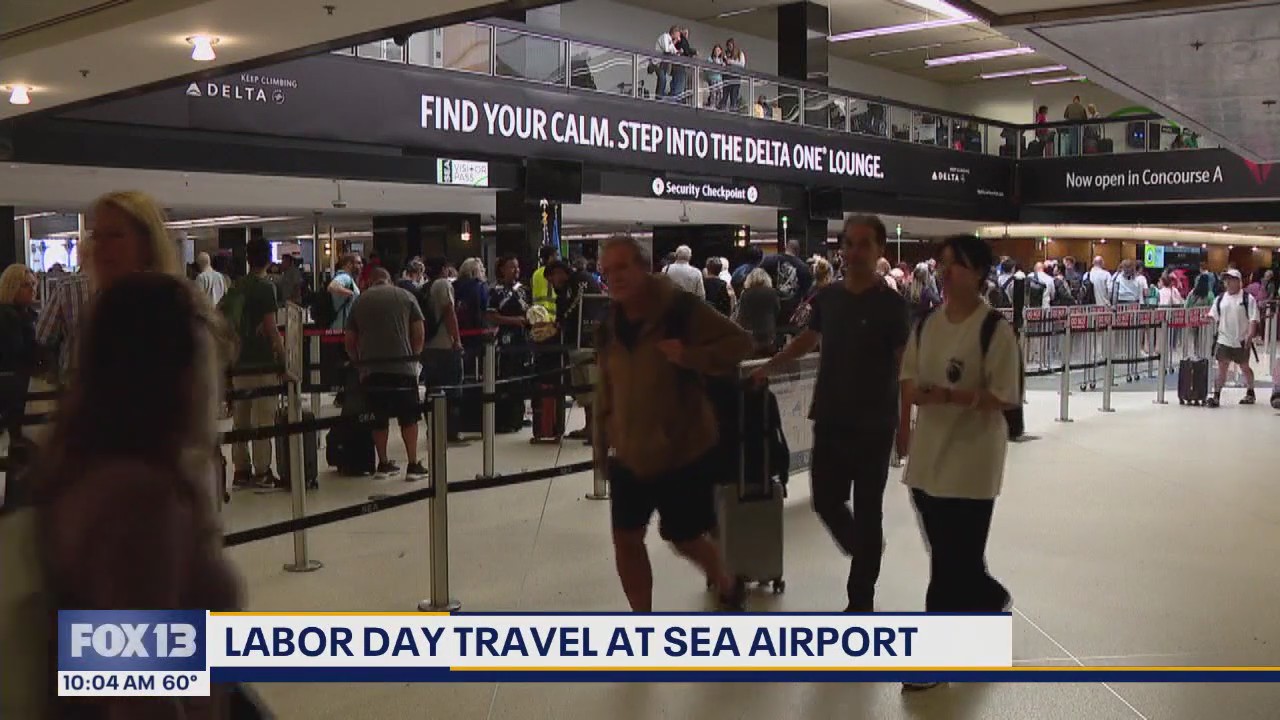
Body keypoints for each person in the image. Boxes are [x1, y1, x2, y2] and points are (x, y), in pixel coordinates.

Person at [24, 272, 242, 717]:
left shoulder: (82, 467)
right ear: (175, 376)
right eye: (205, 361)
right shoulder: (140, 503)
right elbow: (140, 696)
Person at [752, 214, 908, 612]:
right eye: (849, 243)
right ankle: (865, 548)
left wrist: (906, 426)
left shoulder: (892, 305)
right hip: (832, 416)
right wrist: (770, 367)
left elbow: (905, 365)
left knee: (869, 507)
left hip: (875, 422)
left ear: (879, 251)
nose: (854, 252)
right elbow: (807, 340)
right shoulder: (829, 298)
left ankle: (861, 602)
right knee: (825, 500)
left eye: (863, 245)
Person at [593, 234, 753, 612]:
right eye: (608, 269)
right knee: (626, 539)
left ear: (644, 267)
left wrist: (691, 356)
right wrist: (603, 438)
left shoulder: (679, 309)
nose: (615, 277)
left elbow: (740, 343)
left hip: (682, 449)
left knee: (684, 537)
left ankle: (727, 581)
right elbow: (607, 385)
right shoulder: (609, 324)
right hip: (630, 451)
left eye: (623, 267)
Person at [898, 235, 1020, 690]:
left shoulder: (995, 331)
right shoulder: (927, 324)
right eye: (942, 263)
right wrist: (903, 426)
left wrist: (951, 396)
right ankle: (988, 596)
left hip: (972, 465)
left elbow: (1006, 396)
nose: (945, 272)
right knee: (954, 556)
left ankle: (934, 659)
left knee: (947, 564)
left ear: (978, 273)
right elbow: (908, 377)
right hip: (929, 463)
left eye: (956, 265)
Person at [38, 191, 187, 386]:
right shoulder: (99, 307)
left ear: (147, 245)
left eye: (115, 235)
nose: (100, 246)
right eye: (96, 236)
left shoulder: (175, 311)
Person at [346, 267, 428, 480]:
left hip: (372, 369)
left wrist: (360, 365)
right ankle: (412, 464)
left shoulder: (359, 301)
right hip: (402, 366)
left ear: (371, 282)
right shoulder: (406, 296)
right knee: (409, 417)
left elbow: (349, 340)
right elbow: (419, 331)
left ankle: (383, 462)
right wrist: (414, 358)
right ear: (389, 279)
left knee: (378, 418)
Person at [221, 236, 286, 490]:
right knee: (263, 419)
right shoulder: (265, 287)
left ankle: (241, 471)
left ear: (248, 259)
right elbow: (271, 327)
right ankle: (262, 472)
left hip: (238, 361)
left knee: (241, 419)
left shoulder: (237, 287)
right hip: (262, 362)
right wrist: (282, 357)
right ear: (269, 259)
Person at [546, 259, 604, 442]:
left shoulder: (578, 283)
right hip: (577, 342)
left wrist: (560, 322)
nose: (551, 284)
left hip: (587, 341)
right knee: (583, 389)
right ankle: (589, 426)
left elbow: (576, 309)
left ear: (559, 273)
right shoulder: (569, 287)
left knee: (592, 385)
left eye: (551, 278)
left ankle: (597, 429)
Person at [419, 257, 466, 443]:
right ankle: (450, 431)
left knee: (432, 389)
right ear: (445, 269)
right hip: (445, 344)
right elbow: (449, 312)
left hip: (429, 345)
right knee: (452, 390)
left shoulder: (425, 287)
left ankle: (434, 428)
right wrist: (457, 340)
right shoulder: (443, 285)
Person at [1207, 268, 1259, 407]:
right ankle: (1216, 395)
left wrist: (1250, 335)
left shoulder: (1247, 299)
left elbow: (1253, 319)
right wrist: (1206, 319)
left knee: (1244, 367)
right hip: (1224, 339)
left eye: (1231, 279)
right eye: (1226, 280)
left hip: (1241, 340)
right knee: (1222, 368)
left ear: (1238, 281)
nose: (1228, 282)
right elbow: (1213, 316)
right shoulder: (1220, 299)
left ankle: (1250, 391)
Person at [0, 265, 39, 440]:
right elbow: (17, 352)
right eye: (25, 285)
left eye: (33, 284)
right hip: (10, 383)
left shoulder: (27, 313)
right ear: (12, 287)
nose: (32, 289)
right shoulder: (8, 315)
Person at [736, 268, 781, 357]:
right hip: (768, 329)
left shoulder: (745, 293)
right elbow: (777, 309)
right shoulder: (772, 292)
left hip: (751, 331)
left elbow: (741, 313)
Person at [327, 253, 362, 330]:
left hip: (344, 327)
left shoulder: (349, 279)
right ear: (349, 264)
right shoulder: (344, 277)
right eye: (358, 263)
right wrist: (351, 293)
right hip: (341, 327)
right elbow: (332, 286)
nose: (361, 266)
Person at [531, 245, 559, 323]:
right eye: (556, 255)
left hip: (537, 316)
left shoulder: (536, 273)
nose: (557, 258)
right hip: (550, 318)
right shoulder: (552, 273)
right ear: (550, 257)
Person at [654, 25, 681, 99]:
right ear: (674, 32)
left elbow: (674, 51)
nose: (679, 36)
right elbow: (667, 50)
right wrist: (675, 41)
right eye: (678, 34)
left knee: (662, 80)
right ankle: (659, 98)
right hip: (658, 63)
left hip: (664, 64)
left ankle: (658, 97)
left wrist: (679, 51)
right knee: (663, 80)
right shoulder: (665, 36)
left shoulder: (670, 41)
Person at [723, 38, 746, 111]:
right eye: (728, 46)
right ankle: (723, 109)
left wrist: (731, 62)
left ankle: (733, 110)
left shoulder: (740, 53)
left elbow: (742, 64)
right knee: (725, 95)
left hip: (735, 78)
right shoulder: (726, 53)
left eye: (730, 45)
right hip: (727, 77)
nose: (729, 47)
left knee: (734, 95)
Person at [705, 44, 726, 109]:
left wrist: (723, 64)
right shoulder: (710, 58)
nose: (717, 52)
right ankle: (712, 105)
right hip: (712, 78)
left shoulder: (721, 60)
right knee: (713, 93)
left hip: (719, 78)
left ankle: (717, 105)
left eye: (719, 50)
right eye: (716, 50)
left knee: (720, 93)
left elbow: (723, 69)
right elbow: (708, 67)